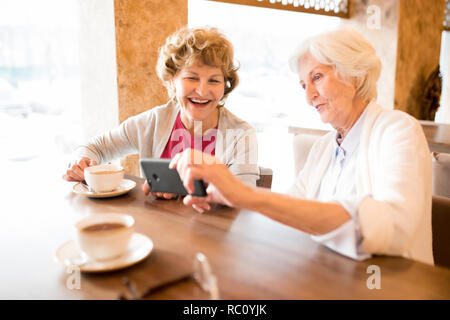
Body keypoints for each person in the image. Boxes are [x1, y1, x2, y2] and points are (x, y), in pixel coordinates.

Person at [170, 28, 434, 265]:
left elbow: (393, 229)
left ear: (355, 76)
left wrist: (246, 194)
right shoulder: (323, 147)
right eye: (304, 85)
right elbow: (290, 208)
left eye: (317, 77)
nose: (309, 96)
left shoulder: (398, 130)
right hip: (329, 278)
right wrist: (223, 193)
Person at [63, 27, 259, 200]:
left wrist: (189, 188)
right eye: (192, 77)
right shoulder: (153, 121)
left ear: (224, 86)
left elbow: (245, 198)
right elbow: (95, 147)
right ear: (173, 80)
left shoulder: (241, 133)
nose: (202, 90)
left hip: (216, 236)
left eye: (214, 81)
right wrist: (82, 162)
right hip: (158, 231)